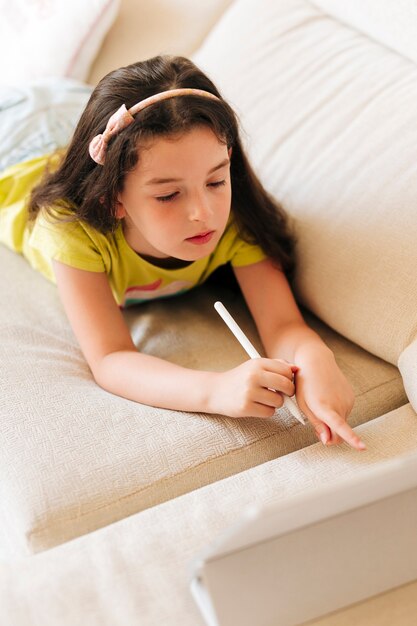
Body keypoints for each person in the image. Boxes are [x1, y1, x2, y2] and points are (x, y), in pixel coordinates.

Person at [0, 55, 365, 451]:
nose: (203, 214)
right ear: (112, 199)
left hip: (73, 111)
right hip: (14, 144)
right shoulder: (72, 228)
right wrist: (216, 390)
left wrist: (315, 360)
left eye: (216, 180)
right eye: (168, 195)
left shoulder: (237, 216)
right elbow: (110, 358)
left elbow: (283, 326)